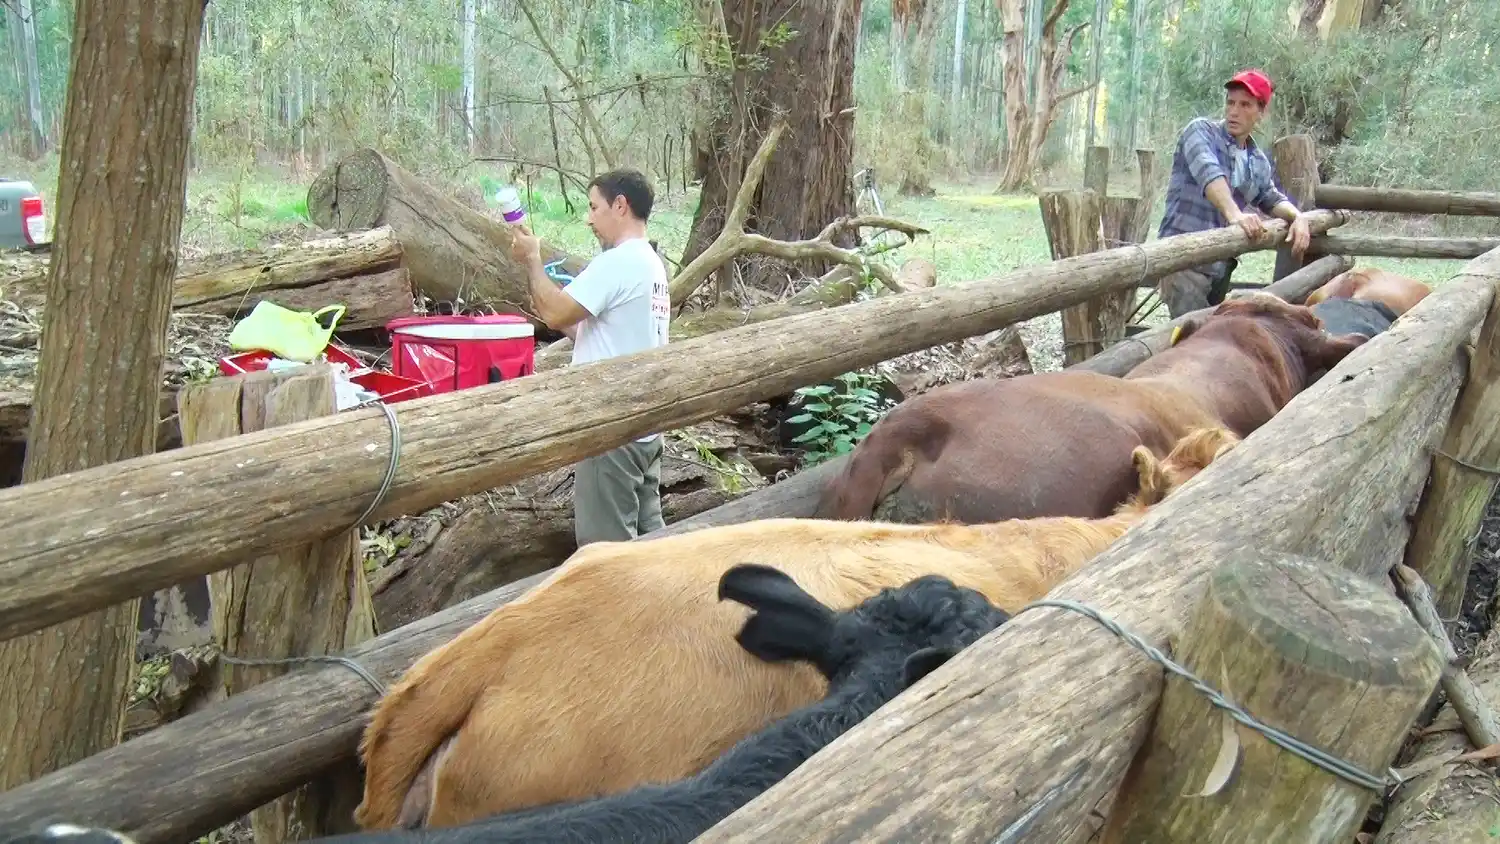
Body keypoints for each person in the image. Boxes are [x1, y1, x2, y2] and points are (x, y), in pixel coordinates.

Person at [509, 169, 672, 547]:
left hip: (611, 431)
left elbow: (554, 313)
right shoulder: (651, 266)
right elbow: (590, 329)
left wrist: (534, 261)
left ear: (620, 206)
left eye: (593, 207)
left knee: (606, 557)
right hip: (645, 427)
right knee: (653, 546)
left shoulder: (619, 263)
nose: (589, 218)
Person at [1155, 68, 1313, 318]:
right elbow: (1209, 173)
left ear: (1261, 112)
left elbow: (1270, 197)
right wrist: (1235, 215)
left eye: (1245, 105)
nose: (1234, 111)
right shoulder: (1200, 132)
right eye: (1230, 103)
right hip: (1184, 262)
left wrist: (1298, 217)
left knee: (1209, 335)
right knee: (1197, 340)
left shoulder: (1256, 160)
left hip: (1220, 263)